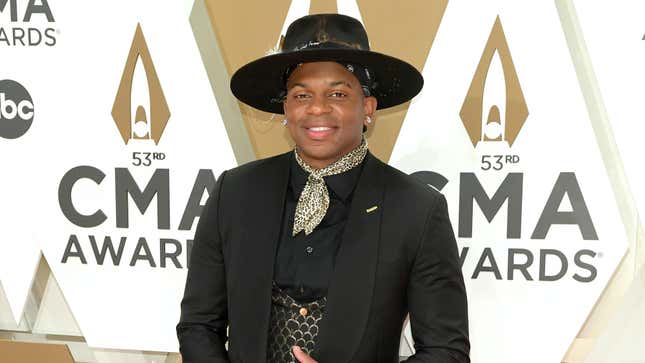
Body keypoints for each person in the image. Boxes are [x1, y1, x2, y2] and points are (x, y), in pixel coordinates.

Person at [177, 13, 469, 363]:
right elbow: (198, 325)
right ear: (286, 108)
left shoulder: (416, 210)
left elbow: (445, 351)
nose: (317, 108)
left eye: (337, 93)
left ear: (368, 109)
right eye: (301, 95)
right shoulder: (235, 193)